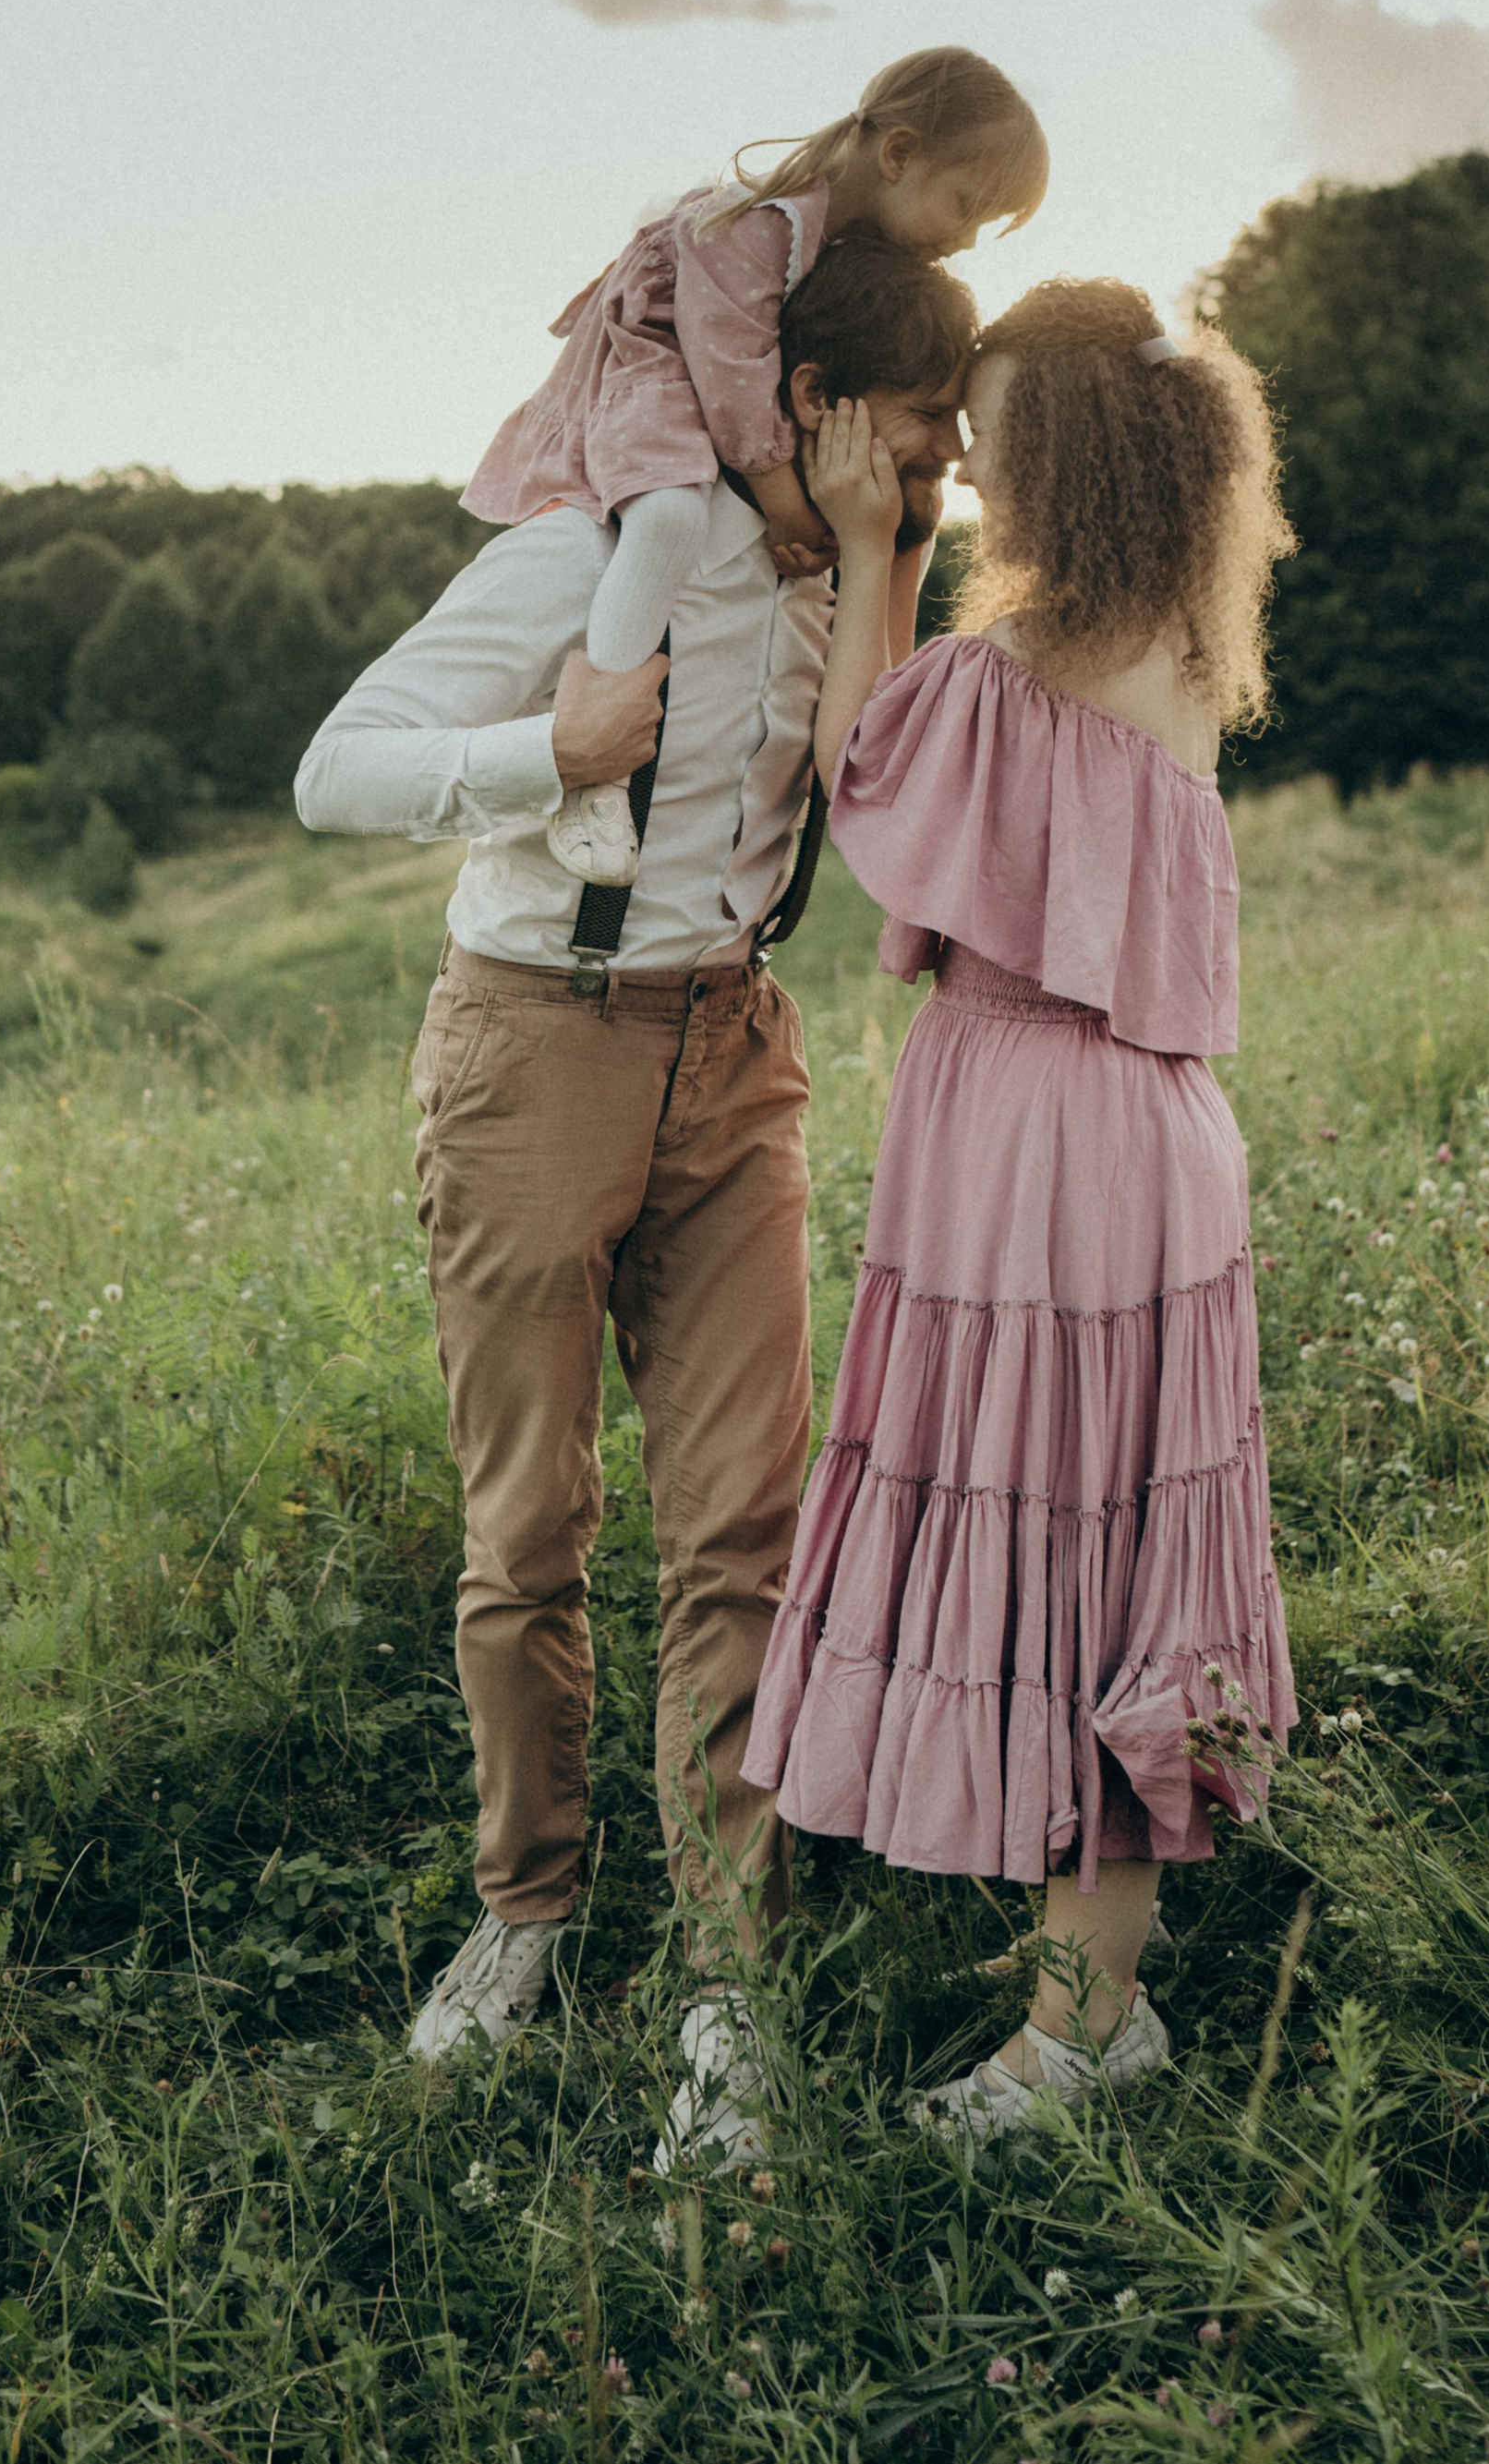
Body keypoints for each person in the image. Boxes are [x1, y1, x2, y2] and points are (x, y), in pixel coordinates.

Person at [296, 232, 980, 2163]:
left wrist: (884, 555)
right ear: (824, 409)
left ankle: (727, 1987)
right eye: (924, 441)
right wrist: (550, 752)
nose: (942, 474)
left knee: (739, 1531)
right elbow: (333, 770)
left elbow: (885, 812)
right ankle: (524, 1915)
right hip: (534, 1045)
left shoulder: (852, 574)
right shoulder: (579, 552)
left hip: (733, 1053)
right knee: (526, 1530)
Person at [744, 276, 1299, 2137]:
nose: (963, 454)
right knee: (1111, 1536)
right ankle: (1084, 1958)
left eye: (987, 430)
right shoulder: (1169, 641)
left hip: (1045, 1145)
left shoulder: (1015, 667)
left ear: (1057, 459)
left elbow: (859, 773)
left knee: (1063, 1550)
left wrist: (863, 542)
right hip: (1136, 1133)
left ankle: (1083, 2038)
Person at [464, 47, 1045, 888]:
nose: (965, 239)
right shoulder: (756, 222)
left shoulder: (835, 245)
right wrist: (793, 512)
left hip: (705, 384)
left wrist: (869, 535)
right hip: (656, 366)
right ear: (897, 154)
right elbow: (736, 380)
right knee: (667, 519)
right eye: (965, 207)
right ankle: (595, 769)